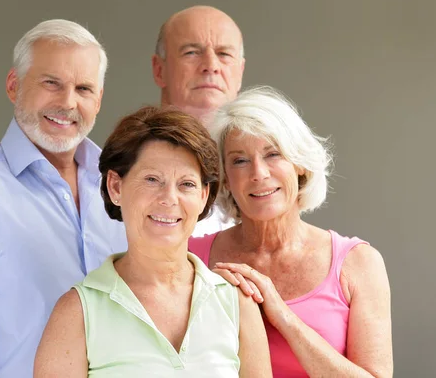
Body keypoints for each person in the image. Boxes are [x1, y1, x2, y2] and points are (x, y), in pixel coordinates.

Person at [0, 19, 127, 378]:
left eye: (84, 88)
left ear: (99, 99)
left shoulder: (125, 189)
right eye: (51, 83)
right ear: (14, 85)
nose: (68, 102)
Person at [34, 106, 273, 377]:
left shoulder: (237, 302)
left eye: (186, 184)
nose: (169, 198)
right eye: (152, 179)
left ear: (204, 196)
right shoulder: (76, 313)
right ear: (115, 187)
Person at [189, 87, 393, 377]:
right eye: (240, 160)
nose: (258, 173)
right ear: (224, 176)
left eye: (273, 154)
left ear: (299, 164)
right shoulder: (190, 257)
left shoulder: (359, 263)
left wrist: (282, 316)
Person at [152, 5, 245, 236]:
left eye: (224, 54)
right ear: (159, 70)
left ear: (240, 72)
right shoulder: (130, 163)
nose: (210, 66)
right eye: (191, 52)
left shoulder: (262, 168)